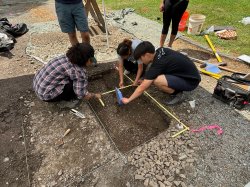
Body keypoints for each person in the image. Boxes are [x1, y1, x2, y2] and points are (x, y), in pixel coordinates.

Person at [122, 41, 201, 105]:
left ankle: (177, 93)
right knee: (153, 77)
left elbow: (142, 87)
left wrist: (128, 100)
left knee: (156, 80)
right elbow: (154, 71)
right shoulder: (160, 50)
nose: (141, 61)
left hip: (191, 81)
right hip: (190, 73)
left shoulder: (158, 64)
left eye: (141, 59)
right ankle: (174, 85)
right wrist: (146, 79)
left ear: (147, 55)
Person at [33, 43, 101, 102]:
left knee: (72, 79)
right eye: (91, 59)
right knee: (73, 86)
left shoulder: (65, 57)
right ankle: (67, 100)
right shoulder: (79, 72)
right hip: (46, 95)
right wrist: (94, 95)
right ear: (85, 60)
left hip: (37, 84)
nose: (92, 61)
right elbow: (81, 94)